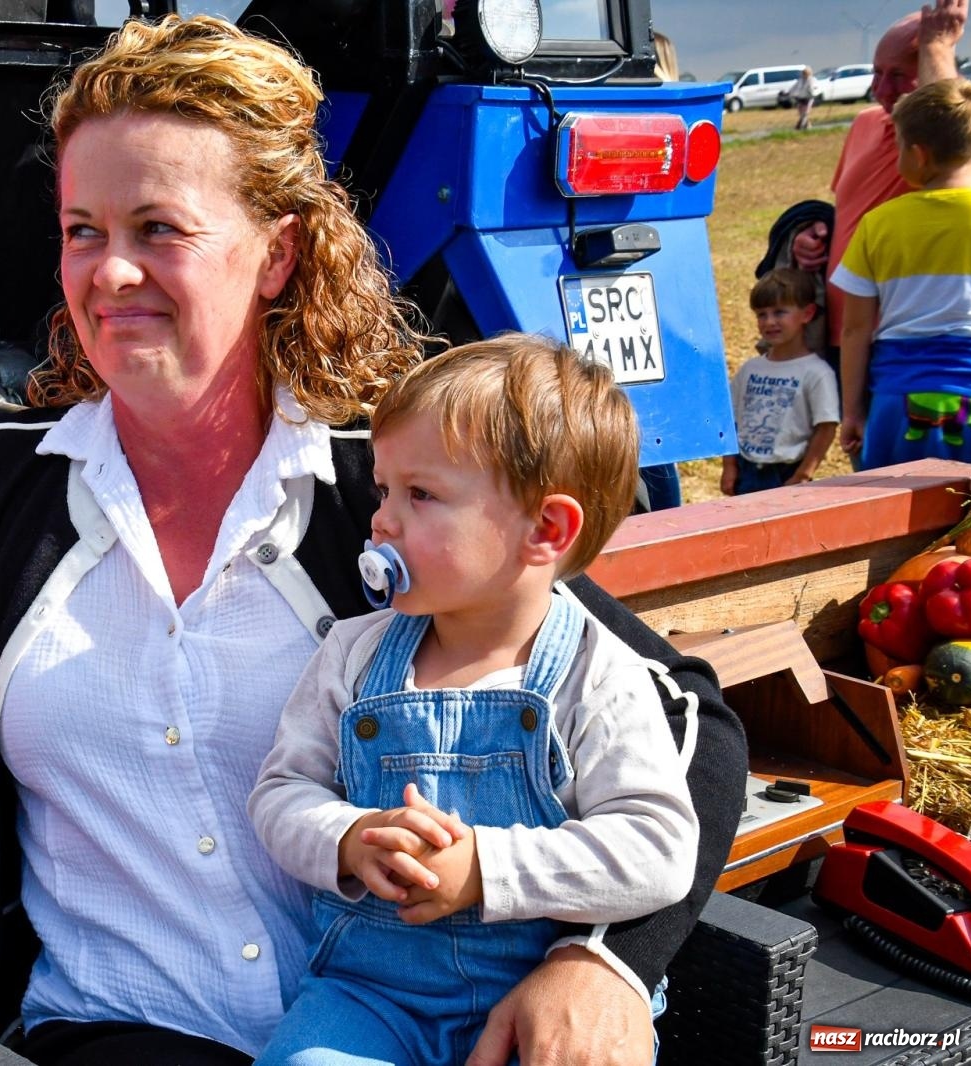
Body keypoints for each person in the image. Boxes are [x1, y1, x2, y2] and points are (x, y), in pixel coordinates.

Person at [0, 15, 746, 1066]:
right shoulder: (0, 484)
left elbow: (687, 715)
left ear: (276, 256)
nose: (109, 272)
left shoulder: (376, 494)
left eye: (159, 230)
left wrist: (601, 959)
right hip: (115, 1026)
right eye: (82, 230)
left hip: (395, 1024)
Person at [249, 336, 698, 1066]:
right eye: (384, 491)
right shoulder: (353, 656)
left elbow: (656, 851)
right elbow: (279, 793)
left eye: (420, 495)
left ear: (546, 530)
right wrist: (350, 837)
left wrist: (487, 868)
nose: (382, 520)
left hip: (534, 997)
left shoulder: (597, 676)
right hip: (371, 996)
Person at [790, 0, 968, 354]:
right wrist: (811, 238)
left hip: (901, 343)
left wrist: (937, 45)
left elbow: (945, 119)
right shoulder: (864, 123)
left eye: (899, 75)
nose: (881, 88)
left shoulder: (941, 142)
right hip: (840, 336)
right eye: (877, 72)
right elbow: (848, 212)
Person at [832, 78, 971, 469]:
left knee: (903, 522)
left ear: (918, 154)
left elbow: (855, 330)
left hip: (898, 401)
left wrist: (853, 412)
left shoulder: (877, 224)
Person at [721, 270, 840, 494]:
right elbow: (729, 419)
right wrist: (729, 467)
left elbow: (826, 427)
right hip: (746, 471)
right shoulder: (750, 369)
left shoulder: (817, 372)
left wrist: (803, 474)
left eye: (779, 312)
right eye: (761, 315)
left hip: (786, 472)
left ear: (807, 313)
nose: (770, 322)